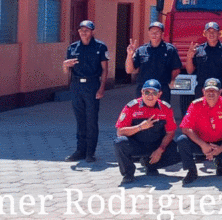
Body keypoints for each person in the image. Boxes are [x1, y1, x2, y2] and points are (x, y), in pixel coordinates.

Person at [114, 79, 182, 185]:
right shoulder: (131, 107)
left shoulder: (166, 108)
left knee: (182, 148)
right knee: (119, 142)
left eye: (154, 93)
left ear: (159, 94)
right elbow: (120, 132)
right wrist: (140, 127)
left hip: (156, 146)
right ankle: (128, 173)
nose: (150, 96)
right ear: (142, 92)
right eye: (147, 92)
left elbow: (171, 132)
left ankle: (151, 165)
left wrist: (160, 150)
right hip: (137, 145)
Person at [176, 78, 222, 185]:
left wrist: (221, 148)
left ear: (220, 92)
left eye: (214, 90)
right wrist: (203, 145)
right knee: (181, 140)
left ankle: (221, 167)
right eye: (208, 90)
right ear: (203, 91)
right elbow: (185, 128)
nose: (210, 93)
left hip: (219, 142)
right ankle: (191, 171)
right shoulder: (195, 105)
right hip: (200, 142)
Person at [62, 20, 109, 163]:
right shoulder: (73, 48)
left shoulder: (100, 47)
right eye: (81, 29)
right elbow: (66, 70)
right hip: (77, 86)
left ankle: (90, 152)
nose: (83, 32)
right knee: (80, 120)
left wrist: (102, 88)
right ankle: (79, 150)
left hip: (92, 85)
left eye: (87, 30)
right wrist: (64, 65)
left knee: (92, 120)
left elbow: (105, 69)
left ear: (92, 31)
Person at [126, 21, 182, 103]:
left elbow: (176, 69)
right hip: (144, 90)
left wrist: (170, 80)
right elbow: (129, 70)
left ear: (162, 34)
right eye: (152, 32)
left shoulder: (170, 50)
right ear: (148, 33)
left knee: (161, 114)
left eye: (157, 32)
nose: (154, 34)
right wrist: (129, 55)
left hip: (161, 90)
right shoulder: (141, 50)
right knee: (143, 115)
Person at [185, 22, 222, 96]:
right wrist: (189, 57)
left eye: (214, 32)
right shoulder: (198, 50)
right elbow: (190, 71)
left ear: (219, 34)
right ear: (204, 33)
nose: (211, 34)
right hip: (202, 90)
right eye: (208, 32)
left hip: (219, 90)